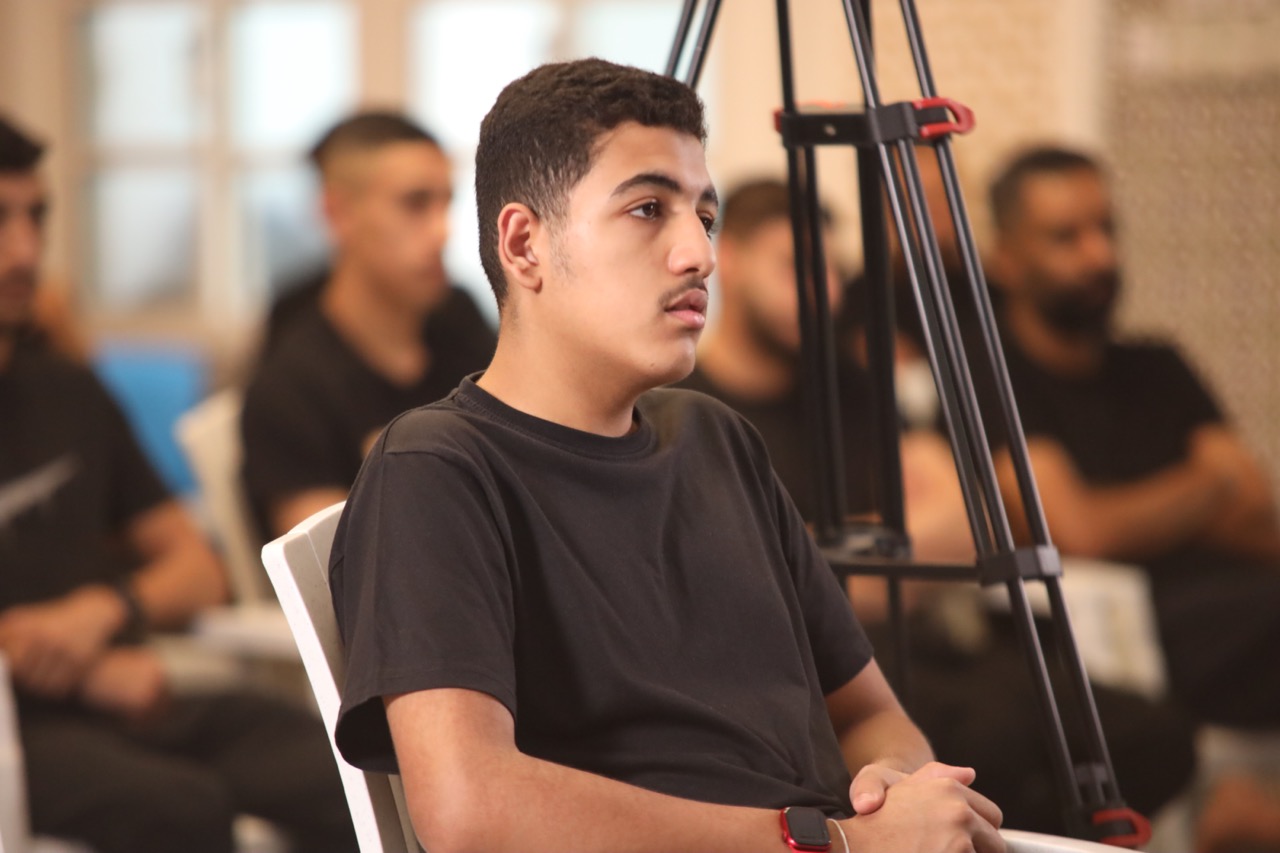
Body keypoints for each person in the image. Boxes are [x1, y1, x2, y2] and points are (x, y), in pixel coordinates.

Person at [328, 58, 1004, 853]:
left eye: (704, 216)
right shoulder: (436, 468)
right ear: (524, 244)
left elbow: (869, 714)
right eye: (648, 209)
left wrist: (890, 784)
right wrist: (833, 842)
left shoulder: (715, 438)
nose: (699, 254)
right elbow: (469, 810)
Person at [684, 177, 1197, 835]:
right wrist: (872, 543)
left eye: (833, 272)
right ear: (730, 259)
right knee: (992, 749)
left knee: (1151, 736)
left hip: (937, 644)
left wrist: (820, 550)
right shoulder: (696, 410)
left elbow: (968, 518)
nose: (825, 293)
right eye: (795, 268)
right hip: (826, 674)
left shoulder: (849, 388)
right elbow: (754, 584)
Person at [0, 116, 358, 852]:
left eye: (36, 217)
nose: (26, 251)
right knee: (182, 808)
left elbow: (198, 568)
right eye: (1, 222)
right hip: (16, 727)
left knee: (350, 761)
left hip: (128, 688)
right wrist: (74, 669)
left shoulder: (68, 393)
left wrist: (104, 610)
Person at [983, 145, 1280, 852]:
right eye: (1066, 237)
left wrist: (1146, 511)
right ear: (1006, 260)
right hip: (1121, 629)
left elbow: (1258, 509)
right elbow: (1077, 531)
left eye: (1105, 229)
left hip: (1235, 606)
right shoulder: (992, 379)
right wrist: (1207, 488)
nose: (1099, 255)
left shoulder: (1157, 364)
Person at [241, 110, 495, 539]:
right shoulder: (289, 388)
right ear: (338, 213)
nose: (442, 231)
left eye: (446, 203)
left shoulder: (459, 318)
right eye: (415, 203)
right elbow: (325, 564)